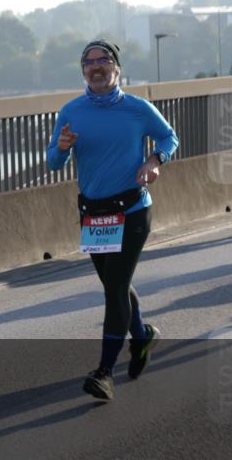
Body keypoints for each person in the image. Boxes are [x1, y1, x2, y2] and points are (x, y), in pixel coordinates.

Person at [47, 39, 179, 400]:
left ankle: (105, 372)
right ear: (83, 71)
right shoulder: (71, 111)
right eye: (88, 62)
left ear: (116, 68)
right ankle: (142, 336)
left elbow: (169, 137)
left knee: (116, 287)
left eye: (103, 60)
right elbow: (53, 162)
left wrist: (154, 160)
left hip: (132, 209)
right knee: (115, 285)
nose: (96, 66)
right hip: (94, 215)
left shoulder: (137, 109)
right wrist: (62, 147)